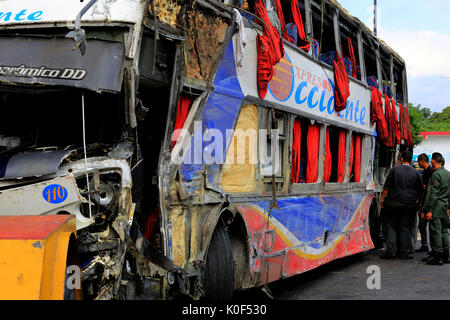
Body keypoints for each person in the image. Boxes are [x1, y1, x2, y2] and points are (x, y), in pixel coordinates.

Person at [380, 151, 424, 259]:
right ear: (410, 160)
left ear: (402, 159)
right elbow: (421, 191)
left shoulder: (394, 170)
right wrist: (420, 204)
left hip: (394, 203)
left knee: (391, 225)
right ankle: (404, 252)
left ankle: (391, 251)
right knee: (405, 227)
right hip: (410, 205)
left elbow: (386, 188)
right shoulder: (416, 173)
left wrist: (381, 200)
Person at [421, 152, 450, 265]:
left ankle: (437, 256)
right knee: (444, 231)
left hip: (436, 208)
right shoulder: (448, 174)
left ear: (433, 161)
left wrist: (428, 210)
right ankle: (446, 255)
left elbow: (432, 194)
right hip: (445, 207)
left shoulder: (435, 175)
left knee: (435, 231)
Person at [416, 153, 433, 253]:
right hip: (427, 202)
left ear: (422, 161)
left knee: (423, 224)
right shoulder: (429, 171)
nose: (419, 164)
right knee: (424, 225)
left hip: (426, 203)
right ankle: (426, 245)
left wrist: (421, 203)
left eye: (419, 162)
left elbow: (425, 189)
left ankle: (426, 245)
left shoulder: (428, 172)